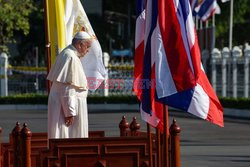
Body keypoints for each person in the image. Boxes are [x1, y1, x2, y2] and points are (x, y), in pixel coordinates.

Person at [47, 31, 92, 139]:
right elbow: (67, 88)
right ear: (80, 44)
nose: (88, 50)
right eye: (87, 46)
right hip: (65, 108)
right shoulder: (70, 57)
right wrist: (69, 113)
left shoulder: (69, 54)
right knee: (67, 136)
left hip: (66, 105)